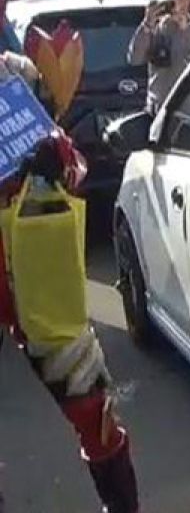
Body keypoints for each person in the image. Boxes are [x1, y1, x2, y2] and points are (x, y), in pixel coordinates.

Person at [0, 51, 140, 513]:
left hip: (32, 262)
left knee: (90, 403)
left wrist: (51, 165)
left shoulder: (17, 78)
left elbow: (73, 164)